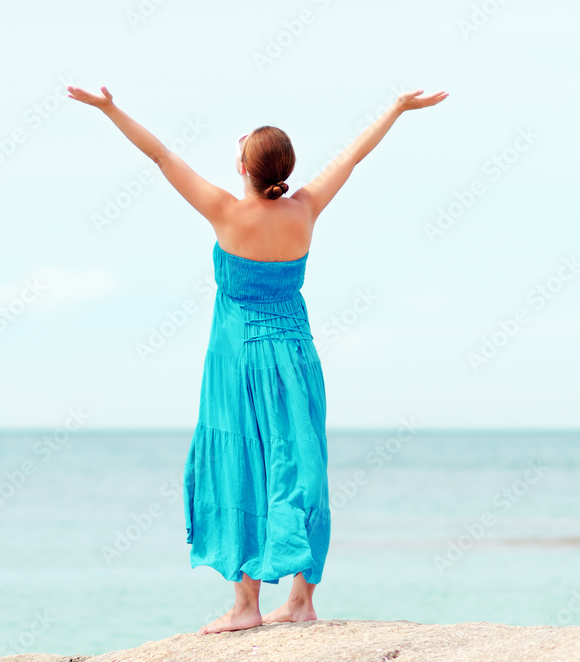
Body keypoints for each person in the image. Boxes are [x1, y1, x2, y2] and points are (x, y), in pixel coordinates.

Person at [67, 84, 449, 634]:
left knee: (242, 466)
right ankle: (301, 601)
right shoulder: (306, 209)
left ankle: (246, 605)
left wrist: (109, 109)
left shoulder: (226, 211)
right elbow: (353, 156)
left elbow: (161, 156)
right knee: (302, 465)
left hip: (239, 359)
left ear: (244, 166)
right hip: (296, 354)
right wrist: (396, 109)